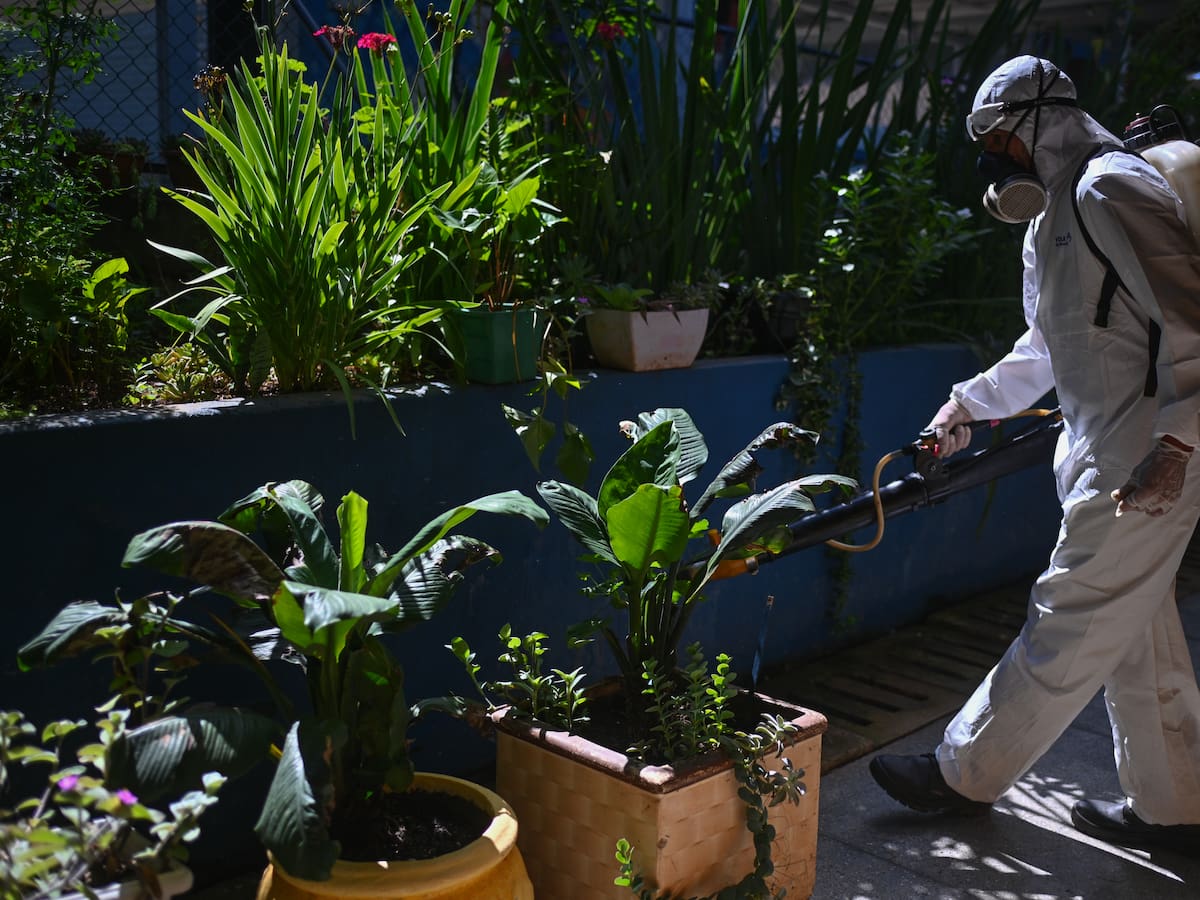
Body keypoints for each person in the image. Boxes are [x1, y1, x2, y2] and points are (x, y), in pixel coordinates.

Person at [868, 54, 1200, 851]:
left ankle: (960, 773)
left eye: (998, 138)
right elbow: (1047, 346)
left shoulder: (1109, 187)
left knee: (1069, 617)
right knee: (1133, 635)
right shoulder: (1053, 216)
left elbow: (1191, 317)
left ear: (1041, 120)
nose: (994, 159)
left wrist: (1180, 442)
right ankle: (1176, 809)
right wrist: (966, 406)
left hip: (1147, 452)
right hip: (1101, 447)